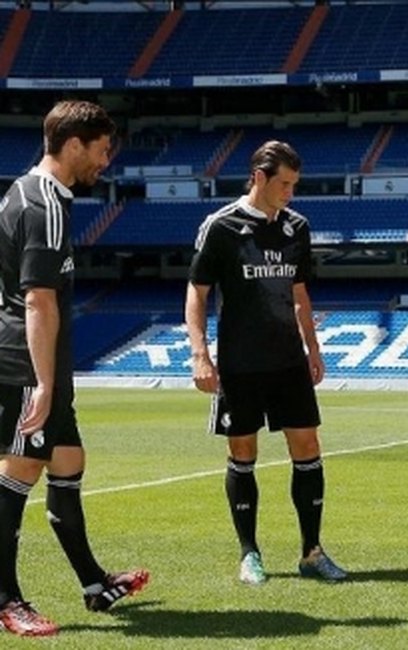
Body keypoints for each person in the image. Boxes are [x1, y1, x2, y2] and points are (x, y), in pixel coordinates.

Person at [0, 100, 149, 637]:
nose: (105, 162)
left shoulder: (29, 192)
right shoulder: (44, 204)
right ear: (73, 144)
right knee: (19, 469)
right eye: (102, 150)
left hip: (40, 361)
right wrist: (42, 381)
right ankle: (6, 600)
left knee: (68, 459)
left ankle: (91, 582)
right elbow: (38, 300)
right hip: (26, 361)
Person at [185, 140, 346, 585]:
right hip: (240, 364)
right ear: (259, 177)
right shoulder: (221, 226)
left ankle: (312, 553)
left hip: (288, 362)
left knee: (308, 448)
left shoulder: (297, 227)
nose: (291, 193)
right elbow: (196, 292)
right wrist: (200, 354)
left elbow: (298, 293)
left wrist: (313, 349)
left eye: (295, 184)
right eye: (285, 184)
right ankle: (249, 552)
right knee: (242, 453)